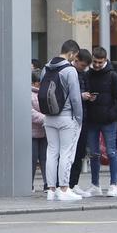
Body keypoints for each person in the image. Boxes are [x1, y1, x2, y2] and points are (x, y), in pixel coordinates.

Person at [42, 39, 84, 201]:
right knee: (66, 152)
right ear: (71, 53)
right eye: (75, 57)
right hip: (66, 117)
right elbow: (75, 98)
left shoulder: (46, 68)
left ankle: (51, 190)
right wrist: (79, 119)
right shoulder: (69, 70)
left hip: (49, 117)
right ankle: (64, 189)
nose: (75, 60)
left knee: (51, 152)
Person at [84, 47, 117, 197]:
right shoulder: (88, 74)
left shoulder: (113, 76)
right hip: (92, 120)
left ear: (105, 60)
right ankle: (95, 184)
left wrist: (112, 114)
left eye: (100, 62)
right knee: (94, 153)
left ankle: (113, 184)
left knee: (111, 152)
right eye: (95, 61)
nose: (97, 65)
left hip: (108, 120)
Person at [69, 49, 93, 196]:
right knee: (70, 152)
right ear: (76, 60)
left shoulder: (83, 74)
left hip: (83, 116)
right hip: (71, 117)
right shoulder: (68, 71)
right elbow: (66, 94)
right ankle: (67, 184)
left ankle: (74, 183)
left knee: (80, 152)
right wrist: (80, 96)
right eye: (82, 65)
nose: (83, 68)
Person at [31, 70, 47, 193]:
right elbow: (30, 113)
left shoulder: (46, 92)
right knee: (32, 159)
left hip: (45, 131)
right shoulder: (29, 94)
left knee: (45, 158)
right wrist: (46, 119)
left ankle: (48, 183)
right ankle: (29, 183)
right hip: (32, 132)